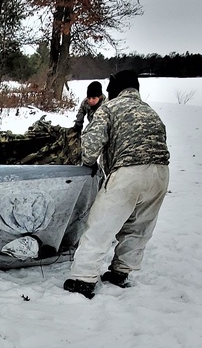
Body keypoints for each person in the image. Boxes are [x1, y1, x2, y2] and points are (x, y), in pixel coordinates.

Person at [63, 70, 170, 298]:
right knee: (139, 227)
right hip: (161, 174)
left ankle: (83, 279)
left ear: (113, 89)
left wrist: (88, 162)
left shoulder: (109, 108)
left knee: (101, 225)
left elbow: (90, 147)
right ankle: (121, 271)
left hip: (128, 172)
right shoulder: (151, 111)